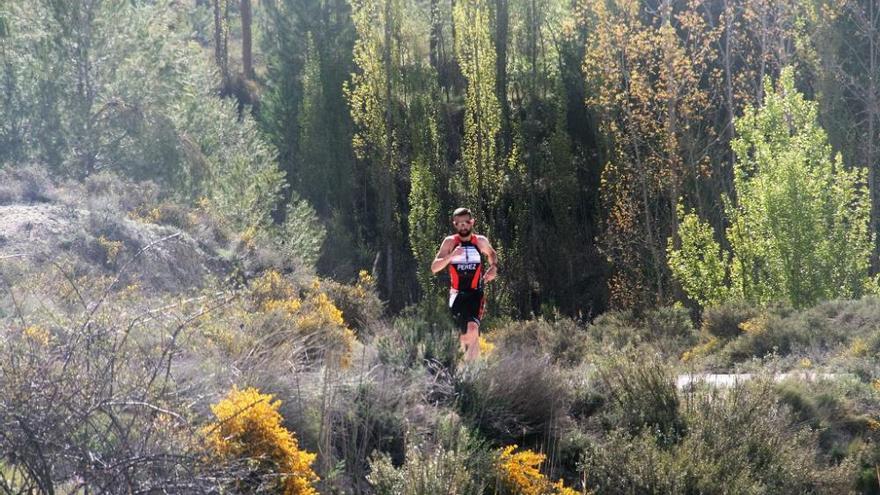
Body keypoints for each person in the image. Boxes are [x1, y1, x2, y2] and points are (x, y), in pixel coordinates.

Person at [430, 207, 498, 362]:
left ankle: (473, 370)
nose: (463, 226)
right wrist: (451, 256)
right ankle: (464, 368)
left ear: (472, 222)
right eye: (459, 224)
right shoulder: (450, 242)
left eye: (466, 222)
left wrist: (493, 268)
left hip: (476, 293)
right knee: (463, 335)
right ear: (455, 225)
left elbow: (492, 254)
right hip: (457, 294)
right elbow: (434, 267)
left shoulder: (480, 241)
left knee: (473, 328)